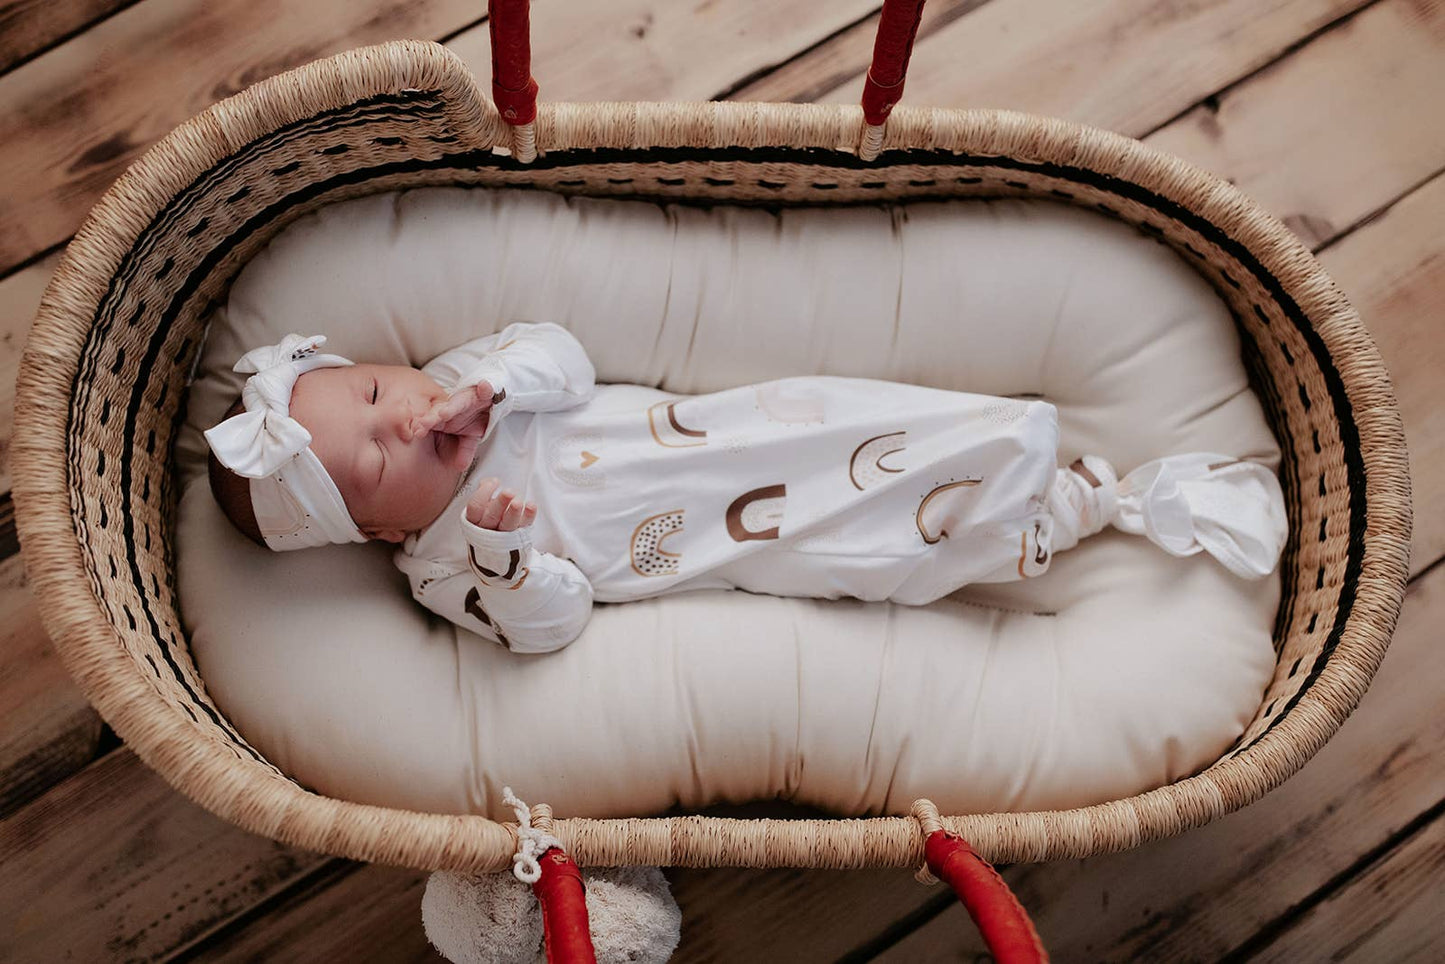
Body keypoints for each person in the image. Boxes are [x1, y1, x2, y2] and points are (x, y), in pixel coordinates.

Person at [204, 323, 1288, 654]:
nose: (404, 416)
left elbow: (565, 356)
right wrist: (503, 554)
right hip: (719, 542)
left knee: (873, 420)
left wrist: (491, 380)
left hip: (747, 430)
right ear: (376, 528)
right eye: (375, 459)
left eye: (380, 389)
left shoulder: (481, 387)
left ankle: (1030, 461)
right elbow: (551, 624)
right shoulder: (445, 569)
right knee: (876, 559)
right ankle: (1072, 512)